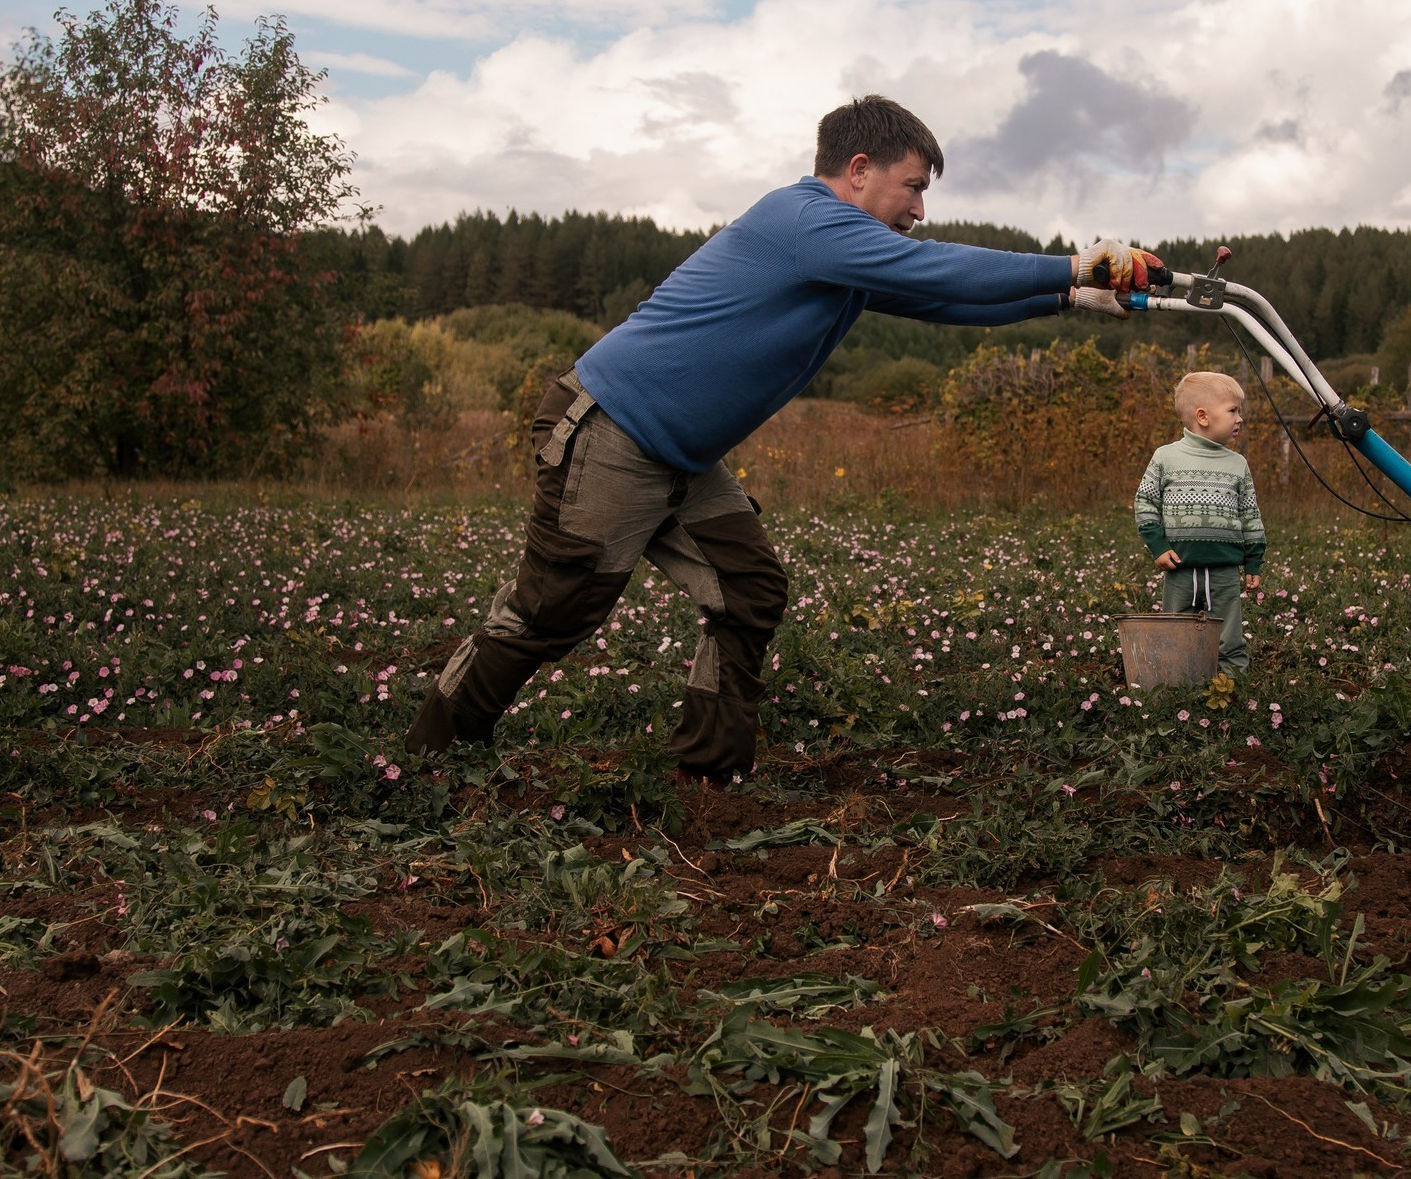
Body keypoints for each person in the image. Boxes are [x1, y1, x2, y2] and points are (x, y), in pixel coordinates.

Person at [405, 95, 1159, 780]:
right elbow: (938, 268)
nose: (921, 209)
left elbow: (944, 299)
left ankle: (706, 774)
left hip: (681, 455)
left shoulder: (843, 250)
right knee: (551, 611)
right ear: (859, 171)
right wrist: (1078, 258)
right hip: (615, 429)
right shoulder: (803, 220)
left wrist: (1069, 295)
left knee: (749, 590)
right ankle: (430, 759)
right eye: (915, 186)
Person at [1135, 370, 1267, 674]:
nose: (1240, 418)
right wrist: (1157, 546)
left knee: (1229, 637)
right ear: (1203, 417)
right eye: (1233, 410)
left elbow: (1250, 514)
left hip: (1223, 569)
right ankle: (1179, 685)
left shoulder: (1238, 464)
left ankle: (1231, 686)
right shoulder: (1166, 457)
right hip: (1179, 567)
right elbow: (1145, 502)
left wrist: (1254, 561)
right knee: (1176, 633)